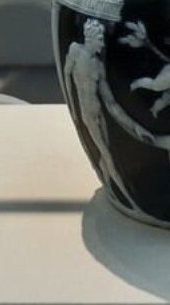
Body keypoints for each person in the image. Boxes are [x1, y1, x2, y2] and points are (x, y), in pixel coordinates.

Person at [62, 19, 137, 209]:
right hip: (87, 114)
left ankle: (116, 190)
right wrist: (76, 110)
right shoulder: (75, 50)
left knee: (106, 154)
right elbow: (67, 76)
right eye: (100, 39)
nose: (102, 43)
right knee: (107, 155)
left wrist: (133, 126)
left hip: (99, 115)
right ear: (90, 37)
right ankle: (129, 199)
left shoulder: (97, 65)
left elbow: (110, 103)